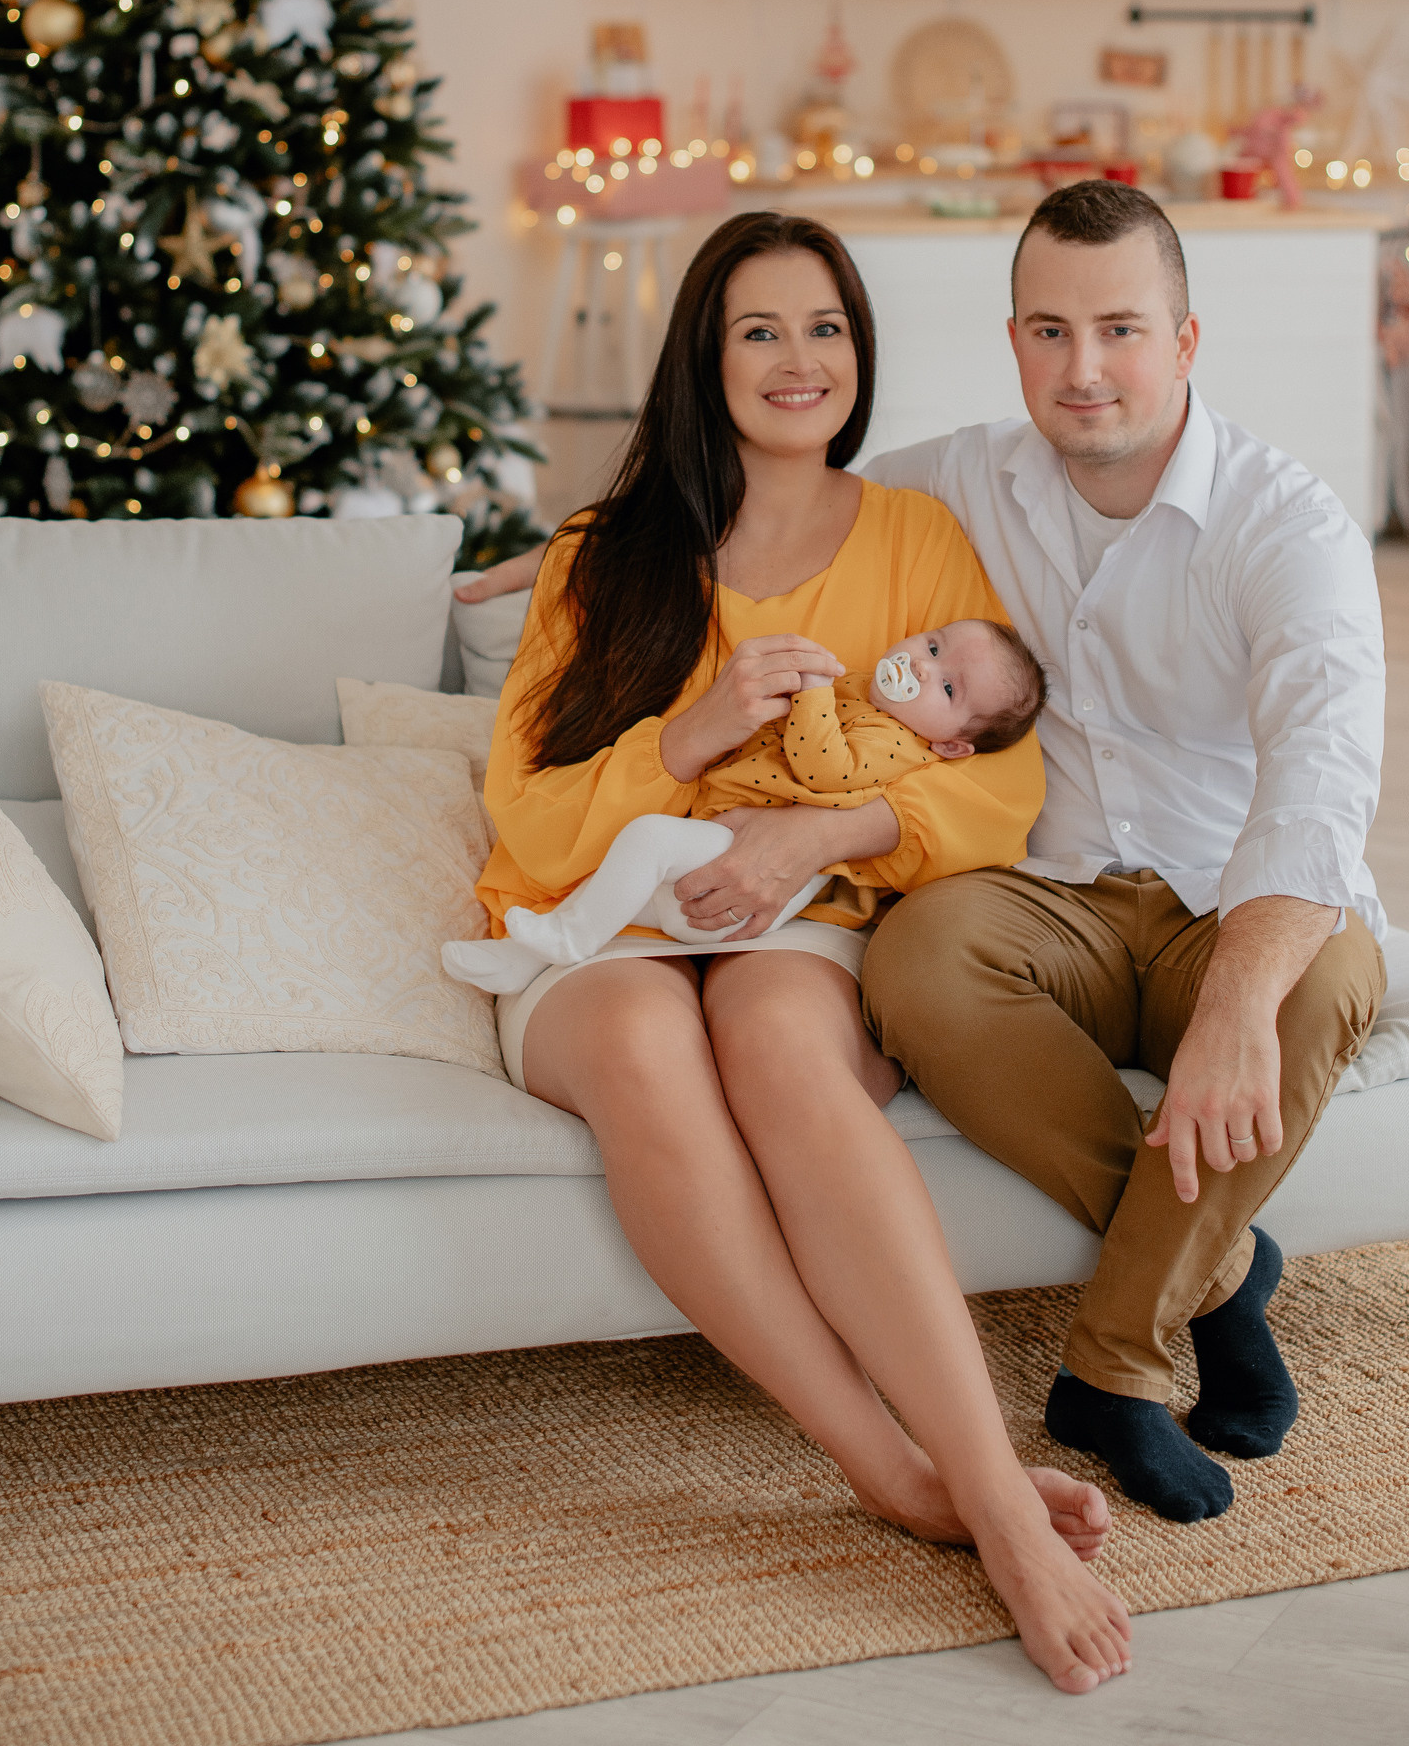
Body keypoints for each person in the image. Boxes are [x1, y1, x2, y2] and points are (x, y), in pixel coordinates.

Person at [459, 180, 1388, 1530]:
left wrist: (1238, 1004)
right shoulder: (948, 482)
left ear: (1183, 344)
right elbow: (714, 531)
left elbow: (1312, 776)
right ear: (1011, 341)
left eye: (1120, 330)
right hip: (956, 908)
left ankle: (1114, 1360)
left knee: (1305, 976)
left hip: (1192, 895)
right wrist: (583, 571)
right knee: (907, 967)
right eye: (1052, 333)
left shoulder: (1268, 525)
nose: (1083, 370)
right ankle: (1193, 1279)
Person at [459, 207, 1133, 1694]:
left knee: (771, 1038)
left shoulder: (909, 537)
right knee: (646, 1042)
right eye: (758, 329)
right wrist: (681, 740)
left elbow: (994, 781)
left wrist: (815, 838)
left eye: (823, 326)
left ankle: (993, 1491)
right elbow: (528, 806)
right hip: (587, 925)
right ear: (704, 359)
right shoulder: (599, 554)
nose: (797, 358)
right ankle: (885, 1470)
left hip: (796, 919)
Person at [441, 617, 1046, 990]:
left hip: (746, 881)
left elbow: (826, 769)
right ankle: (527, 958)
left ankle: (568, 942)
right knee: (616, 875)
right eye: (934, 645)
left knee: (647, 841)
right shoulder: (866, 691)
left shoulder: (900, 745)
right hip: (719, 863)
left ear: (951, 743)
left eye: (944, 686)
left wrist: (809, 696)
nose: (919, 664)